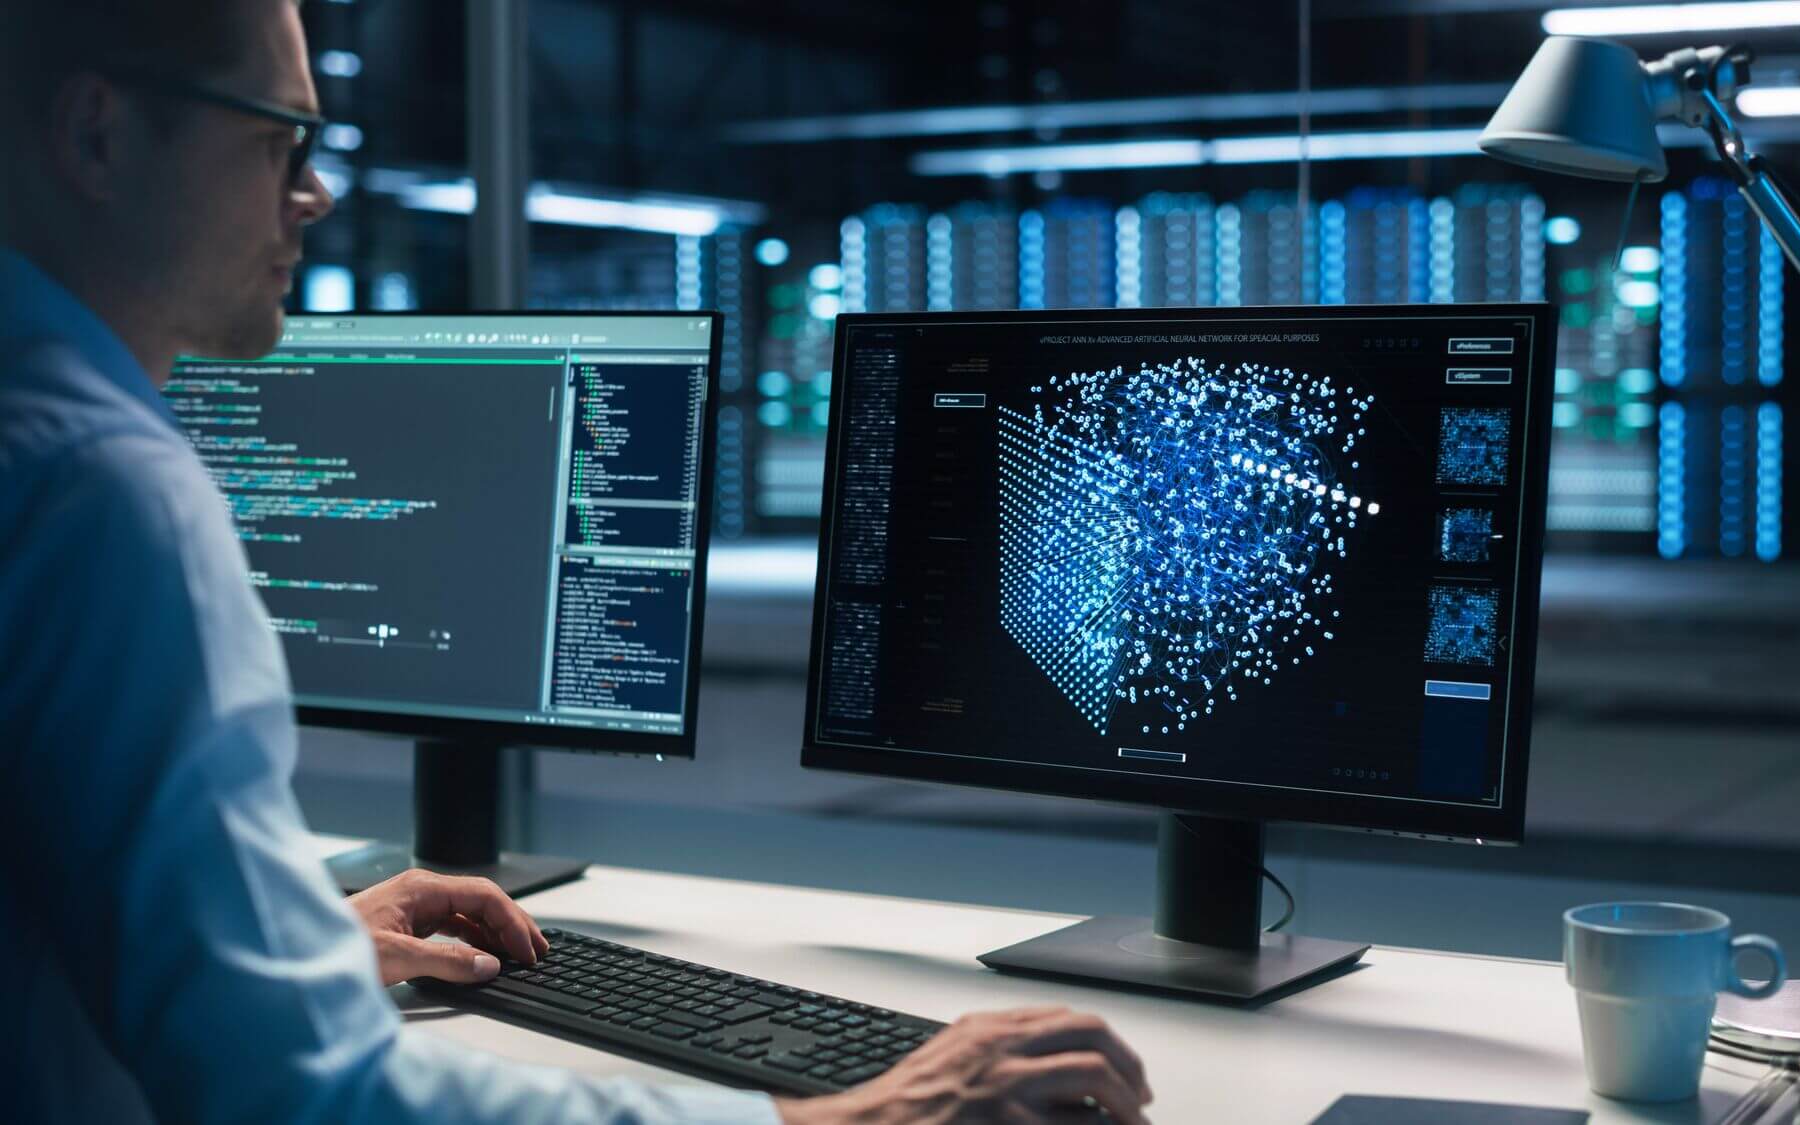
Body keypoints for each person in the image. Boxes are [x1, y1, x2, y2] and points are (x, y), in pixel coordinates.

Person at [0, 1, 1155, 1122]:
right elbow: (311, 1096)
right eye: (279, 136)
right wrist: (843, 1122)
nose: (318, 190)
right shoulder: (101, 491)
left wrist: (280, 945)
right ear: (98, 134)